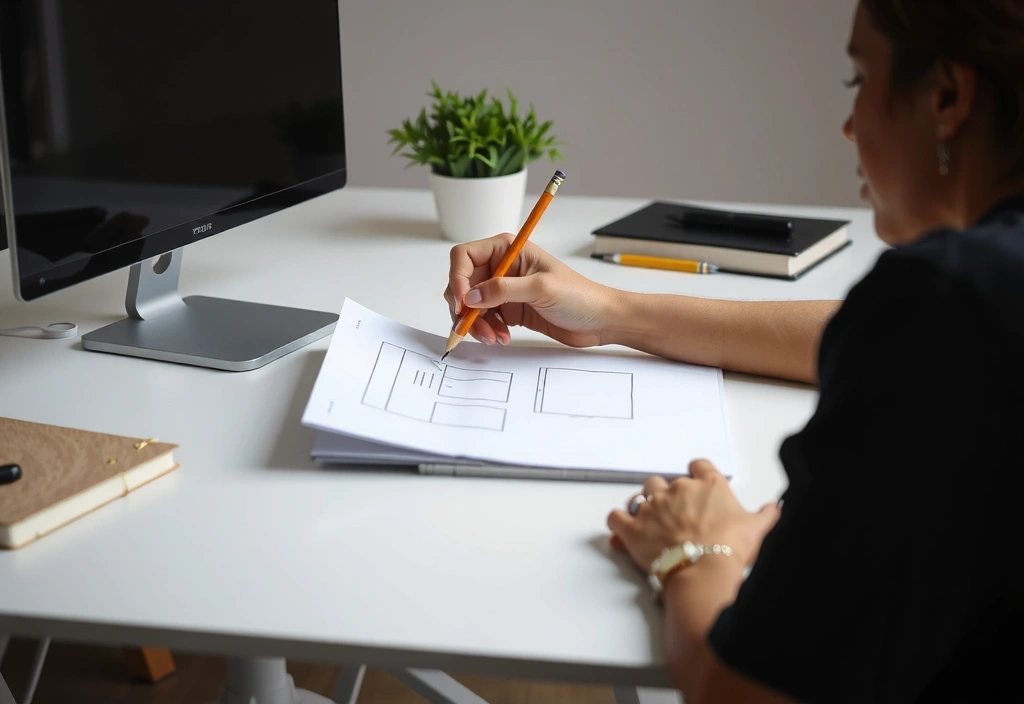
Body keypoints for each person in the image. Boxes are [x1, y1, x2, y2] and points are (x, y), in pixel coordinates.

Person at [443, 1, 1024, 701]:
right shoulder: (976, 302)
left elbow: (739, 692)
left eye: (858, 80)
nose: (847, 124)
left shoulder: (948, 304)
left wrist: (695, 551)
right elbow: (859, 336)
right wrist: (611, 314)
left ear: (947, 95)